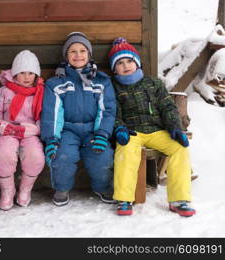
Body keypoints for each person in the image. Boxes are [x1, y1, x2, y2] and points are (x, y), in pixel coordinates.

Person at [108, 37, 196, 217]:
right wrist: (120, 128)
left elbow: (167, 106)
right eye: (120, 63)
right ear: (114, 68)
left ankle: (179, 199)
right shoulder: (113, 87)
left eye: (130, 61)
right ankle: (124, 198)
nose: (126, 65)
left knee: (179, 147)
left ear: (137, 63)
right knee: (125, 149)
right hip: (132, 132)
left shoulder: (153, 83)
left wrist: (175, 127)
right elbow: (112, 111)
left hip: (157, 130)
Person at [41, 32, 116, 206]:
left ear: (89, 54)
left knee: (102, 155)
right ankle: (61, 188)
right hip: (67, 130)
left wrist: (102, 134)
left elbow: (107, 110)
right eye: (72, 51)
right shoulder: (56, 83)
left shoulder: (101, 82)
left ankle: (103, 186)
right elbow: (52, 112)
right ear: (66, 56)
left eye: (82, 50)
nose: (78, 55)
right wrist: (52, 138)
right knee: (62, 155)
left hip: (93, 130)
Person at [0, 50, 45, 210]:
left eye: (31, 73)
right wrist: (0, 125)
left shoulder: (40, 93)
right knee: (2, 154)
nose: (27, 77)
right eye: (22, 73)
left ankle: (25, 190)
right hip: (7, 131)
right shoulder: (4, 91)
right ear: (14, 74)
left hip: (30, 133)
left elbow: (45, 117)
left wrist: (34, 129)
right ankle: (7, 190)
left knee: (35, 156)